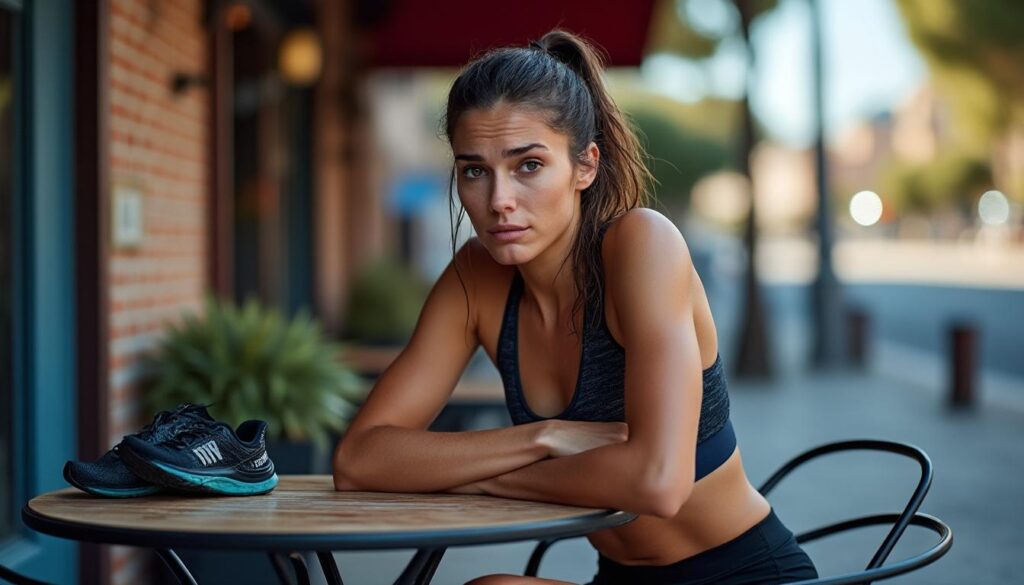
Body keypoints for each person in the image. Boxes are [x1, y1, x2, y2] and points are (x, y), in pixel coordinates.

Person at [333, 29, 819, 585]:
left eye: (529, 165)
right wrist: (542, 437)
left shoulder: (642, 245)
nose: (498, 201)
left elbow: (658, 482)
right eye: (474, 171)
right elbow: (360, 459)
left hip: (744, 573)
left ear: (584, 166)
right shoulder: (477, 276)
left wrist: (468, 474)